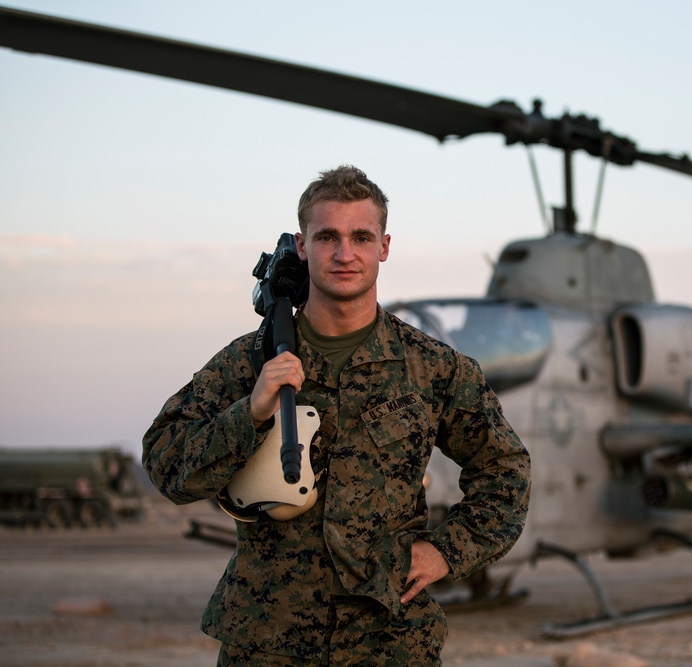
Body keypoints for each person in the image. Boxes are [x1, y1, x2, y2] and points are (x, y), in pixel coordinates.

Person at [143, 165, 531, 665]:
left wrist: (446, 552)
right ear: (302, 247)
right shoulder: (252, 360)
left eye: (360, 237)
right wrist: (251, 412)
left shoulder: (433, 367)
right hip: (268, 643)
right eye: (327, 237)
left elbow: (506, 470)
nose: (344, 254)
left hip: (388, 641)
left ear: (384, 247)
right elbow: (164, 461)